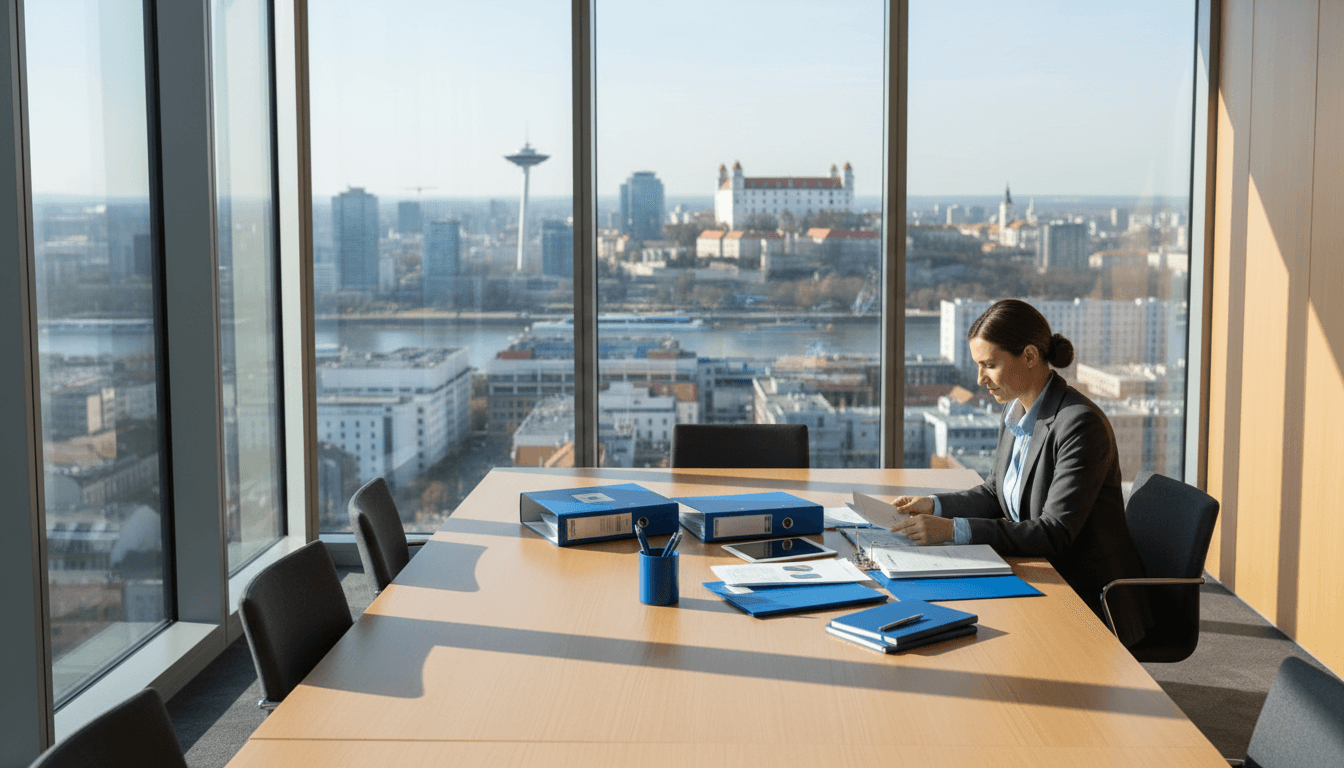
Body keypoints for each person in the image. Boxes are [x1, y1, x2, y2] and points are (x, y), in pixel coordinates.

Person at [892, 299, 1151, 646]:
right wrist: (934, 506)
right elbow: (994, 492)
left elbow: (1054, 532)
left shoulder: (1080, 425)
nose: (980, 379)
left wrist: (953, 530)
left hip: (1085, 599)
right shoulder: (1015, 411)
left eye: (989, 365)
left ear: (1029, 356)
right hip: (1037, 572)